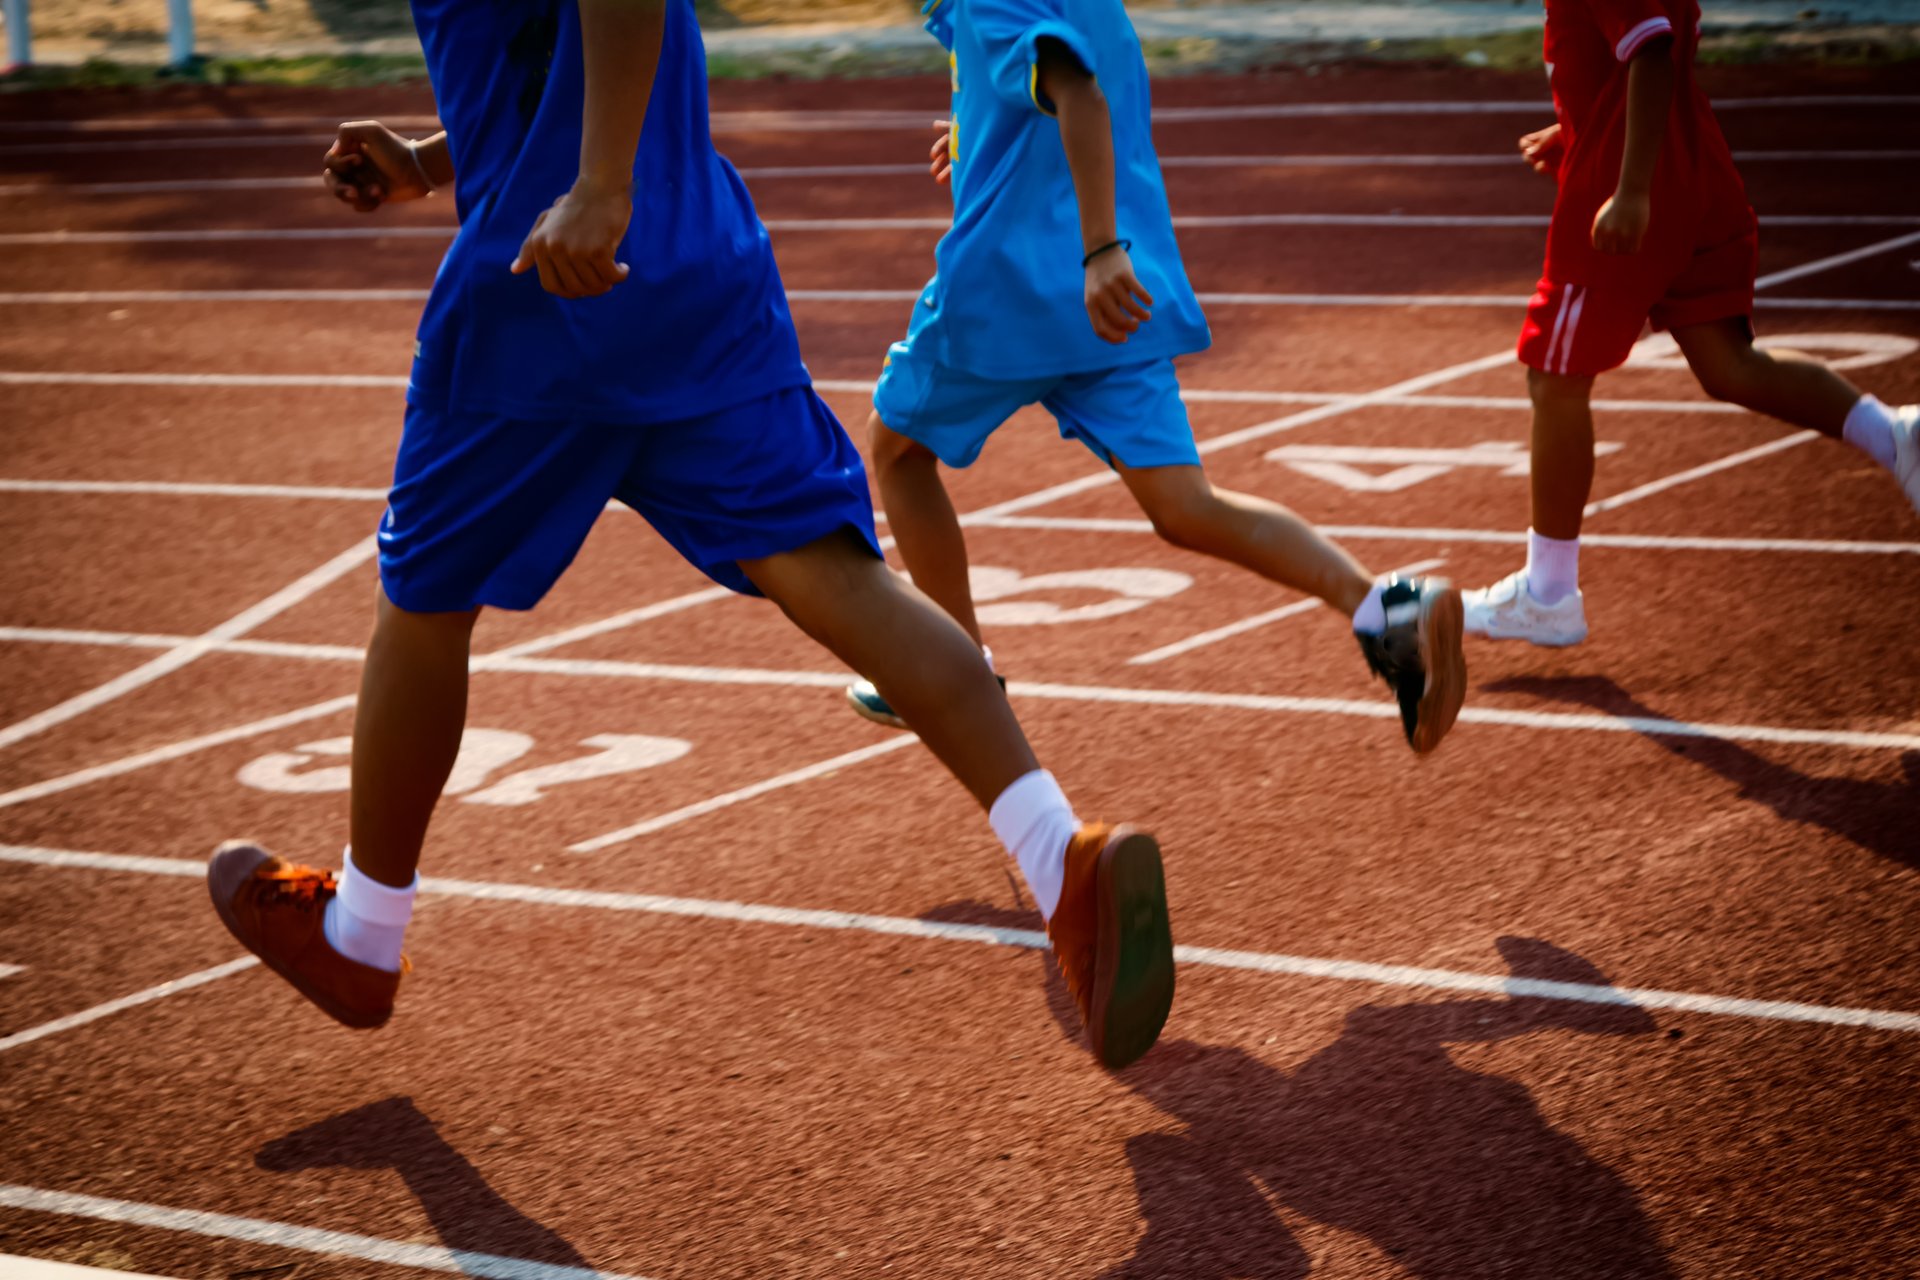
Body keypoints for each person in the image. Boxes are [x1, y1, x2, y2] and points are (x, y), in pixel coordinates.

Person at [206, 0, 1173, 1071]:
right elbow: (557, 45)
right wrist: (439, 157)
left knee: (423, 604)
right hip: (697, 266)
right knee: (837, 573)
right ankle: (1062, 866)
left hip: (551, 280)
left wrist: (600, 189)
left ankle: (361, 937)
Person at [844, 0, 1467, 755]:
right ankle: (1383, 608)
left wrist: (1098, 247)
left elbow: (1078, 91)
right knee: (1184, 504)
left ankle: (954, 673)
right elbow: (1062, 95)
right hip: (1115, 306)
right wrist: (982, 136)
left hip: (1013, 297)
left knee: (897, 452)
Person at [1464, 0, 1920, 647]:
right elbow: (1652, 51)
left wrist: (1631, 190)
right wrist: (1582, 126)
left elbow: (1650, 55)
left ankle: (1548, 594)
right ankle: (1896, 436)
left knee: (1556, 379)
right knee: (1729, 364)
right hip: (1695, 168)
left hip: (1633, 184)